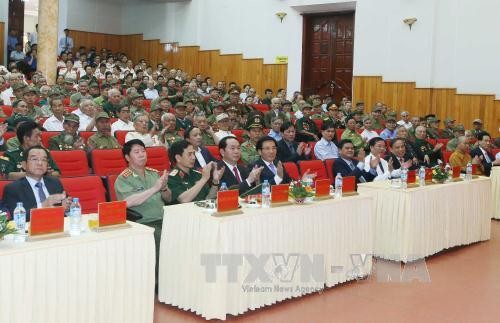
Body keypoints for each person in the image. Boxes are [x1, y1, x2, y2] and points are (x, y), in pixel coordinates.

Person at [114, 139, 172, 282]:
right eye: (136, 152)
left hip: (164, 219)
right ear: (127, 157)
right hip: (144, 222)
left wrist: (164, 187)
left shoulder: (153, 174)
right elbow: (129, 202)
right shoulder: (123, 178)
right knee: (162, 241)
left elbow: (168, 198)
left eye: (143, 151)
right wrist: (155, 188)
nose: (142, 154)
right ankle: (161, 282)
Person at [3, 146, 68, 220]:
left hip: (57, 225)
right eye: (34, 159)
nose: (40, 163)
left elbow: (65, 207)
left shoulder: (55, 183)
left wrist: (67, 207)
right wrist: (44, 205)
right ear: (24, 165)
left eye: (44, 160)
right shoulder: (12, 189)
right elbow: (15, 218)